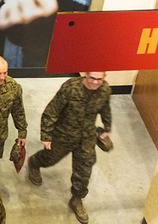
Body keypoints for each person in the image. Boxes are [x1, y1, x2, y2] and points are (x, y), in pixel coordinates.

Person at [27, 72, 113, 224]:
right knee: (50, 159)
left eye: (99, 79)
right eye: (92, 78)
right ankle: (34, 162)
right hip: (64, 133)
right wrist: (46, 136)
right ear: (85, 75)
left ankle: (77, 199)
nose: (95, 82)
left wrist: (107, 127)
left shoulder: (105, 89)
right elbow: (51, 111)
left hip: (86, 135)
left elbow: (105, 108)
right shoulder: (70, 87)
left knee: (85, 168)